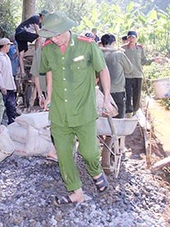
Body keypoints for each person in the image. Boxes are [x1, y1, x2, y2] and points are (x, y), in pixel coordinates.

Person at [39, 11, 116, 206]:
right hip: (59, 113)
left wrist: (106, 99)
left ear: (66, 29)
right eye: (50, 36)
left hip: (84, 111)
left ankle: (96, 171)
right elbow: (49, 71)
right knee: (64, 156)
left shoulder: (86, 45)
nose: (54, 39)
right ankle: (76, 191)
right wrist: (48, 96)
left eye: (57, 34)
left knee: (89, 152)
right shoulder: (48, 48)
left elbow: (103, 70)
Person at [122, 30, 157, 117]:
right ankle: (128, 111)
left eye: (133, 37)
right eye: (129, 37)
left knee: (137, 94)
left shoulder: (140, 49)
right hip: (127, 75)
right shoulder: (123, 49)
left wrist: (153, 60)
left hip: (138, 75)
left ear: (136, 38)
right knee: (128, 93)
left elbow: (144, 61)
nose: (131, 39)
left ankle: (135, 110)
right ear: (127, 38)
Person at [100, 33, 133, 118]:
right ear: (113, 42)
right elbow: (129, 69)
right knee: (118, 117)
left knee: (104, 117)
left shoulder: (99, 54)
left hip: (102, 91)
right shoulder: (119, 54)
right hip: (117, 90)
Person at [14, 10, 49, 77]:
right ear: (42, 16)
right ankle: (37, 52)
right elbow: (38, 33)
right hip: (21, 33)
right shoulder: (36, 18)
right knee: (38, 36)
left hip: (20, 36)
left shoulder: (41, 24)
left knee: (22, 54)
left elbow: (45, 30)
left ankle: (22, 72)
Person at [0, 37, 17, 125]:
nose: (9, 47)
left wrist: (14, 86)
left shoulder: (6, 57)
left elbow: (9, 73)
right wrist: (2, 87)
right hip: (3, 87)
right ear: (5, 46)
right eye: (8, 45)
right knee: (0, 108)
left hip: (9, 86)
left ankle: (12, 124)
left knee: (11, 108)